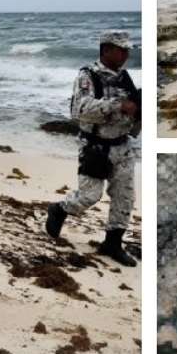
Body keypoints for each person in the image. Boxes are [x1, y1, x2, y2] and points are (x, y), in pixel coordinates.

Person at [45, 30, 141, 267]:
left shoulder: (124, 76)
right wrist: (119, 105)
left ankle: (112, 243)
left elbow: (133, 108)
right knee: (90, 196)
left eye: (128, 50)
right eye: (122, 50)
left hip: (124, 146)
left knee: (124, 197)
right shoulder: (88, 76)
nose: (127, 54)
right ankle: (60, 209)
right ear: (106, 49)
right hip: (96, 147)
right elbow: (80, 109)